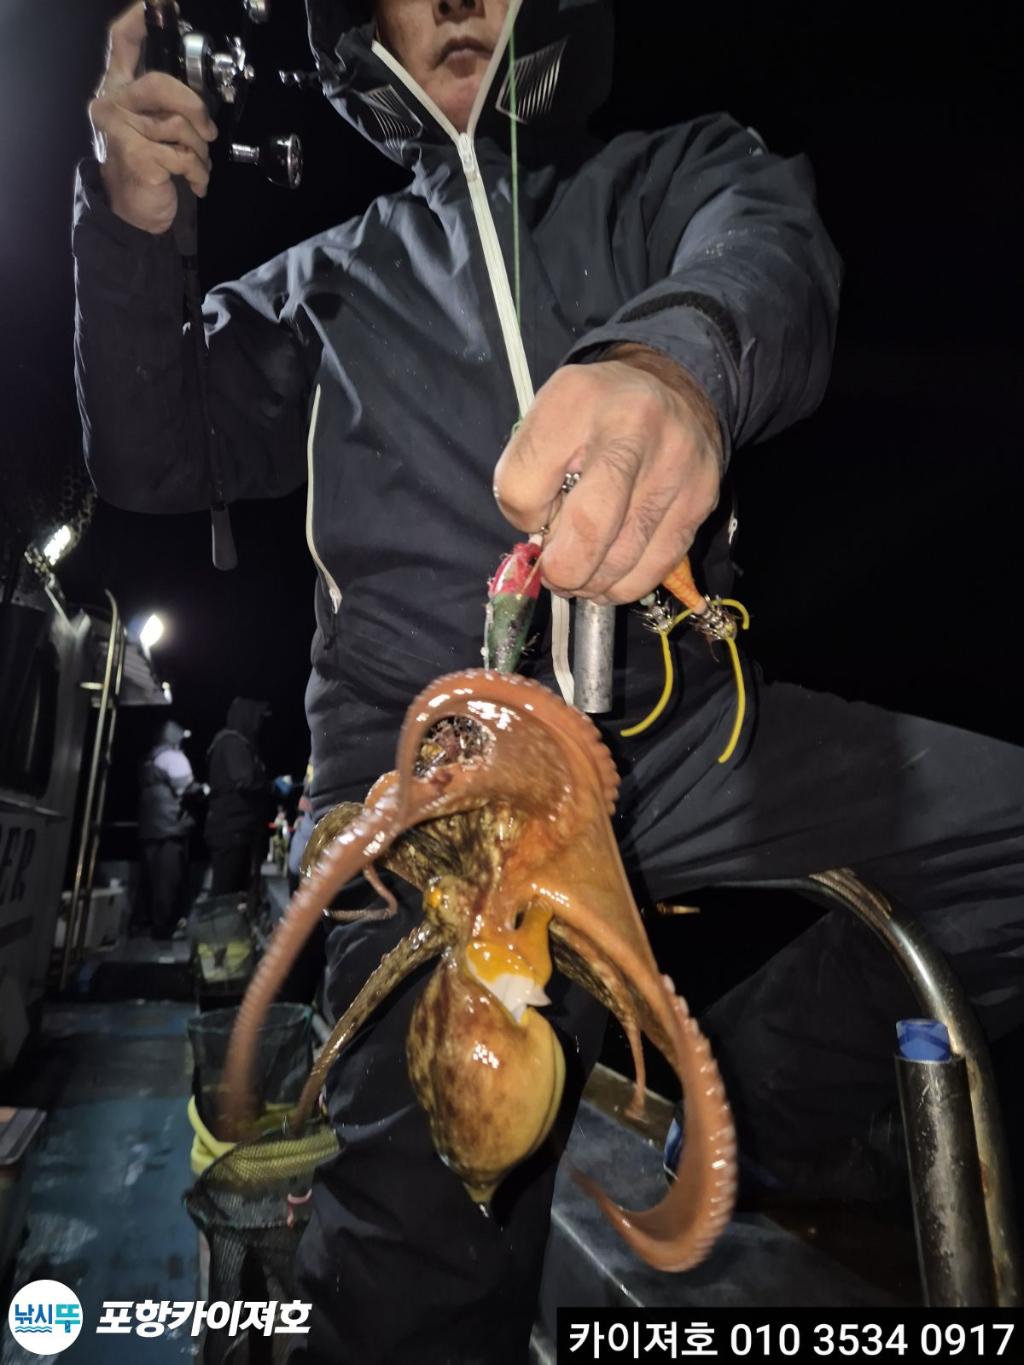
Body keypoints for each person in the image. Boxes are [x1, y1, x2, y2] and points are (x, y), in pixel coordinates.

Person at [74, 0, 1022, 1357]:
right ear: (362, 26)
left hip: (668, 722)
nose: (458, 0)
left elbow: (768, 251)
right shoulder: (330, 276)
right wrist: (130, 225)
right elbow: (156, 454)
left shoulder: (665, 175)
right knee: (423, 1239)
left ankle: (747, 1093)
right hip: (426, 774)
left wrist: (675, 365)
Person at [137, 717, 202, 939]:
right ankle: (164, 931)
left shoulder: (151, 759)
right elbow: (186, 788)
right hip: (170, 829)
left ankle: (143, 925)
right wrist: (204, 790)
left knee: (151, 881)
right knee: (168, 883)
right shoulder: (174, 758)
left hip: (150, 829)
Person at [204, 697, 274, 898]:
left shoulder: (227, 741)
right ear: (247, 718)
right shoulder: (232, 742)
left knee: (233, 893)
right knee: (226, 894)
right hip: (231, 829)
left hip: (232, 828)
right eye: (257, 718)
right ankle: (220, 929)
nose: (259, 724)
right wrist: (271, 786)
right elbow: (246, 780)